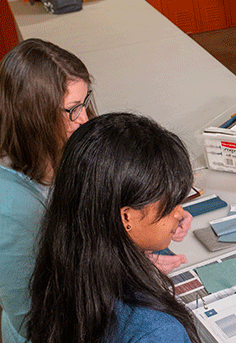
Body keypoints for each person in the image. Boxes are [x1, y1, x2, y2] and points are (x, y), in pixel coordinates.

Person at [0, 39, 190, 343]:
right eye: (73, 110)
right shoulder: (8, 218)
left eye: (85, 102)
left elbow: (95, 217)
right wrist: (128, 272)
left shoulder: (55, 152)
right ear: (34, 118)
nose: (85, 119)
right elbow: (35, 322)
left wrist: (159, 213)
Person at [26, 112, 201, 343]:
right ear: (126, 217)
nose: (179, 213)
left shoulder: (65, 273)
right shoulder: (157, 331)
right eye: (169, 204)